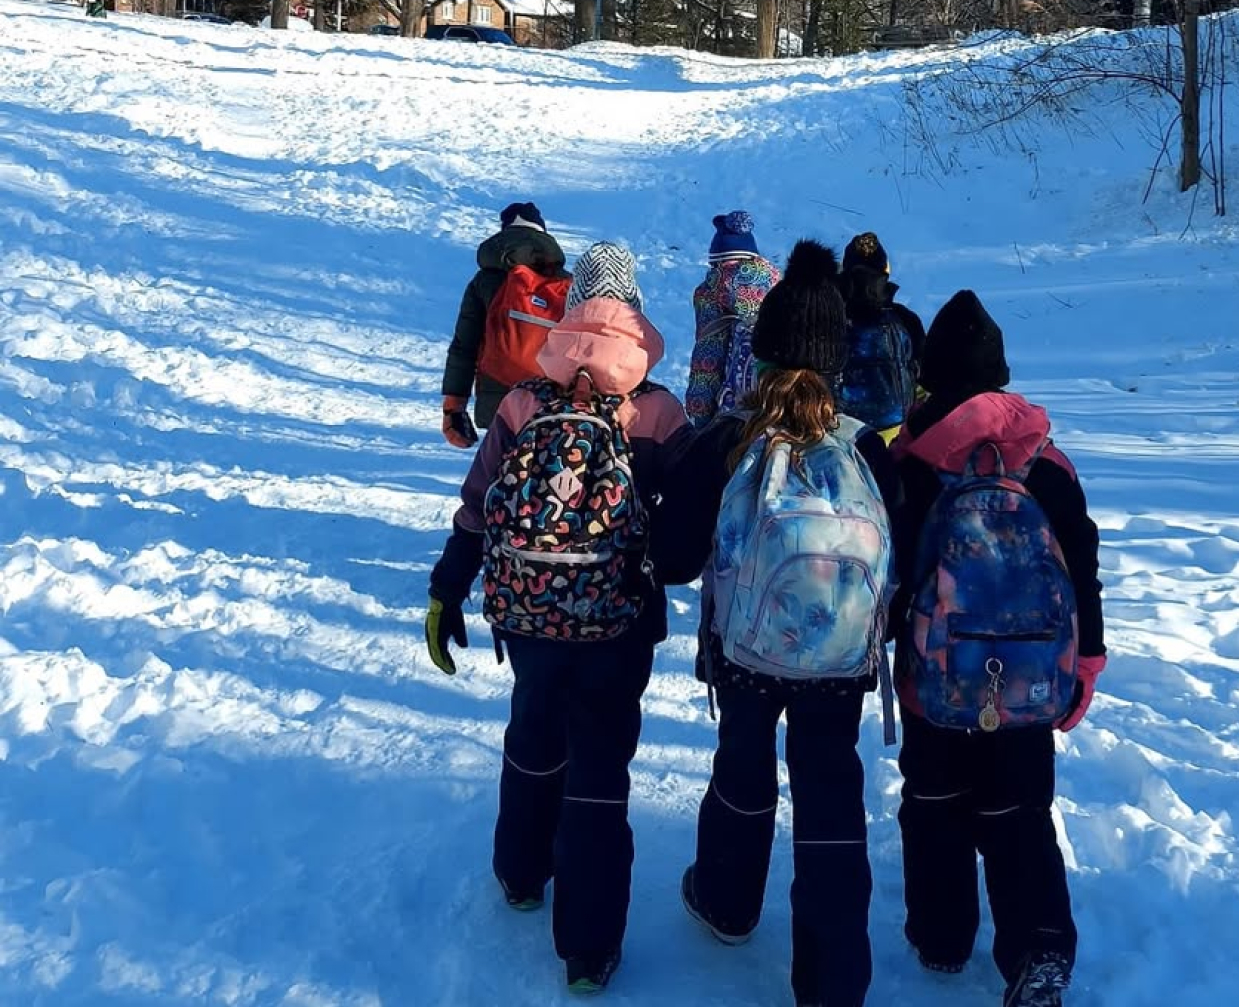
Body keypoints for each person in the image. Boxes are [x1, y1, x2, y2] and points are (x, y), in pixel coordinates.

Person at [425, 241, 687, 994]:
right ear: (635, 318)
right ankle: (588, 948)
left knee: (534, 726)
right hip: (618, 621)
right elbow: (683, 533)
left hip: (528, 611)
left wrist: (448, 588)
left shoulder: (521, 403)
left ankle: (519, 872)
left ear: (569, 317)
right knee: (600, 761)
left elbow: (479, 507)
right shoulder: (657, 411)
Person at [653, 241, 908, 1007]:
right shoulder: (865, 449)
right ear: (835, 364)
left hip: (745, 653)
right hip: (840, 655)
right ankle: (833, 981)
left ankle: (727, 902)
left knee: (743, 764)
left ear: (760, 353)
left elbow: (672, 557)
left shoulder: (727, 440)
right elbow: (903, 550)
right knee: (830, 786)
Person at [887, 290, 1107, 1007]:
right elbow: (1081, 570)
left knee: (933, 802)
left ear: (930, 376)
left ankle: (942, 937)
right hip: (1031, 676)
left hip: (935, 677)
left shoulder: (912, 462)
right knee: (1020, 812)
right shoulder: (1047, 464)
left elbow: (894, 571)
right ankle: (1038, 948)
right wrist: (1086, 663)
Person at [441, 201, 570, 447]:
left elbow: (464, 347)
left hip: (498, 399)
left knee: (502, 467)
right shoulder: (566, 284)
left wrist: (453, 407)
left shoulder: (484, 282)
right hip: (552, 401)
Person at [685, 210, 779, 428]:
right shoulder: (778, 285)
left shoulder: (711, 291)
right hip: (776, 406)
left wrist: (700, 413)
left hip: (732, 415)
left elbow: (708, 356)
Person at [835, 232, 925, 443]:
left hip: (842, 435)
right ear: (886, 271)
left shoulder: (830, 317)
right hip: (897, 435)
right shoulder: (905, 319)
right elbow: (925, 377)